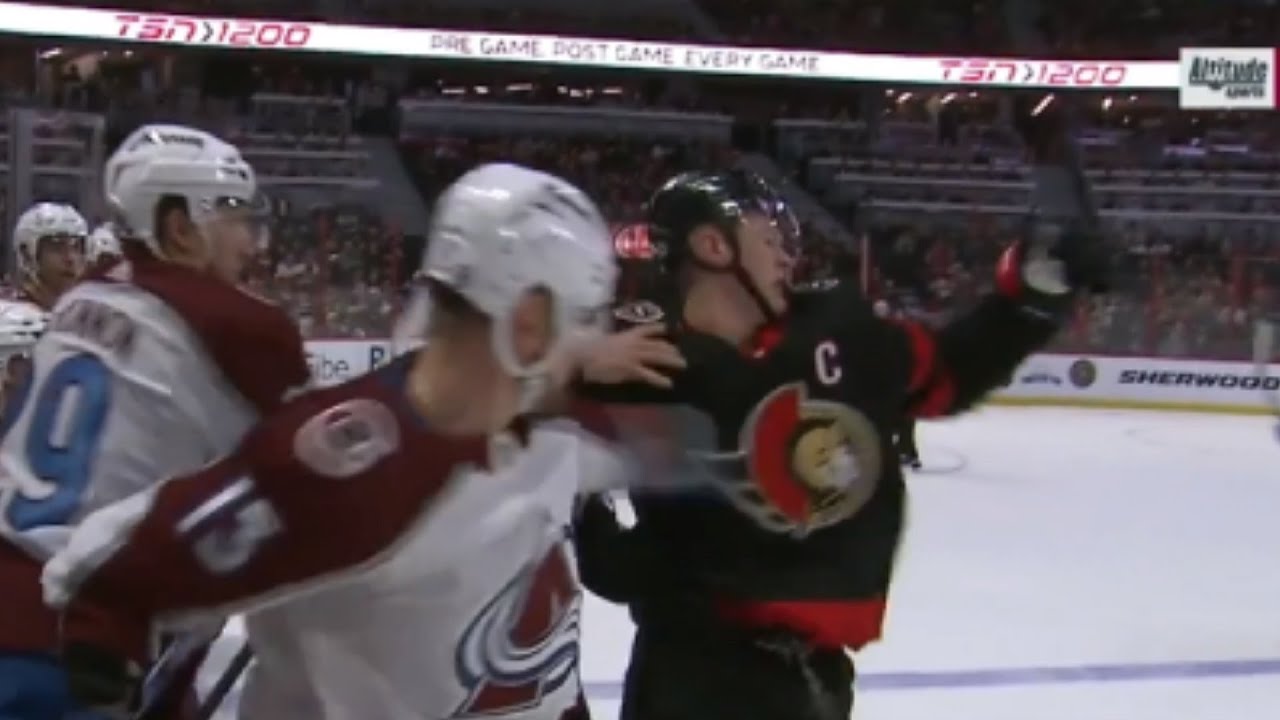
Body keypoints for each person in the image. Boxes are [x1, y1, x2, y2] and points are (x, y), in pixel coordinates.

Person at [41, 163, 678, 720]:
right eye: (589, 316)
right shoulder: (352, 468)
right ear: (532, 323)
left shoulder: (539, 428)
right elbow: (122, 564)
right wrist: (108, 635)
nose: (596, 343)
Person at [573, 169, 1108, 720]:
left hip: (816, 684)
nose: (787, 258)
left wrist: (1031, 295)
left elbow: (953, 369)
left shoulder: (841, 335)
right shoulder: (642, 362)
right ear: (713, 246)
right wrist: (567, 367)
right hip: (694, 681)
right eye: (770, 241)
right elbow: (509, 436)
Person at [0, 123, 309, 720]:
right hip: (81, 636)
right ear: (179, 226)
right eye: (236, 217)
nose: (253, 242)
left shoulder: (79, 298)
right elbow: (321, 479)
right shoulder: (244, 327)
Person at [10, 202, 88, 311]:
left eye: (77, 247)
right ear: (27, 255)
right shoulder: (8, 314)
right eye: (57, 247)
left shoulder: (87, 314)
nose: (70, 258)